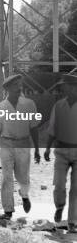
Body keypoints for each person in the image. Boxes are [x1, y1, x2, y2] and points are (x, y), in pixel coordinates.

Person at [0, 75, 40, 220]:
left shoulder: (29, 104)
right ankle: (8, 210)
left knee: (23, 178)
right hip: (6, 144)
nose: (19, 87)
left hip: (23, 144)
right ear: (8, 89)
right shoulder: (0, 107)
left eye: (20, 84)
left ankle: (24, 195)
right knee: (7, 177)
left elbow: (34, 127)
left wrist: (37, 149)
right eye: (16, 85)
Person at [44, 74, 77, 232]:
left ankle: (72, 222)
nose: (63, 88)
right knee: (58, 185)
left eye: (65, 86)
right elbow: (52, 128)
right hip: (61, 151)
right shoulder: (58, 106)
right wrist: (47, 148)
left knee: (76, 189)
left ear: (74, 87)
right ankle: (59, 206)